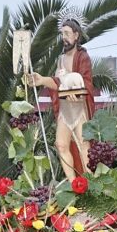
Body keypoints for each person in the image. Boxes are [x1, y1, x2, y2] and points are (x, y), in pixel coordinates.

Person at [29, 18, 95, 180]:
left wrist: (77, 90)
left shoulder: (82, 57)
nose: (64, 37)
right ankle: (74, 184)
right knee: (61, 144)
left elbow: (86, 82)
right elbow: (59, 83)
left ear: (76, 35)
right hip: (66, 109)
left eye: (67, 33)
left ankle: (90, 183)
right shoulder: (61, 59)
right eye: (62, 34)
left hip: (79, 109)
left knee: (83, 145)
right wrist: (42, 80)